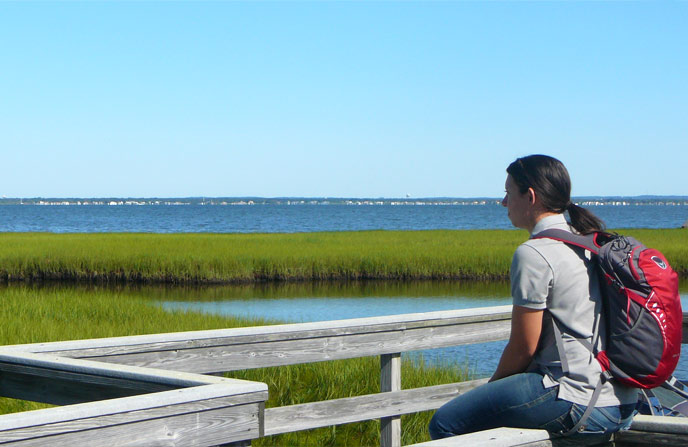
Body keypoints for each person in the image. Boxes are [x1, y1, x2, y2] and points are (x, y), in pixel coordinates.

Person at [428, 154, 638, 441]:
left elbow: (523, 348)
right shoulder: (589, 242)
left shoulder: (534, 253)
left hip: (574, 398)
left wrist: (492, 390)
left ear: (530, 197)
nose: (503, 202)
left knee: (445, 422)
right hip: (622, 400)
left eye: (507, 193)